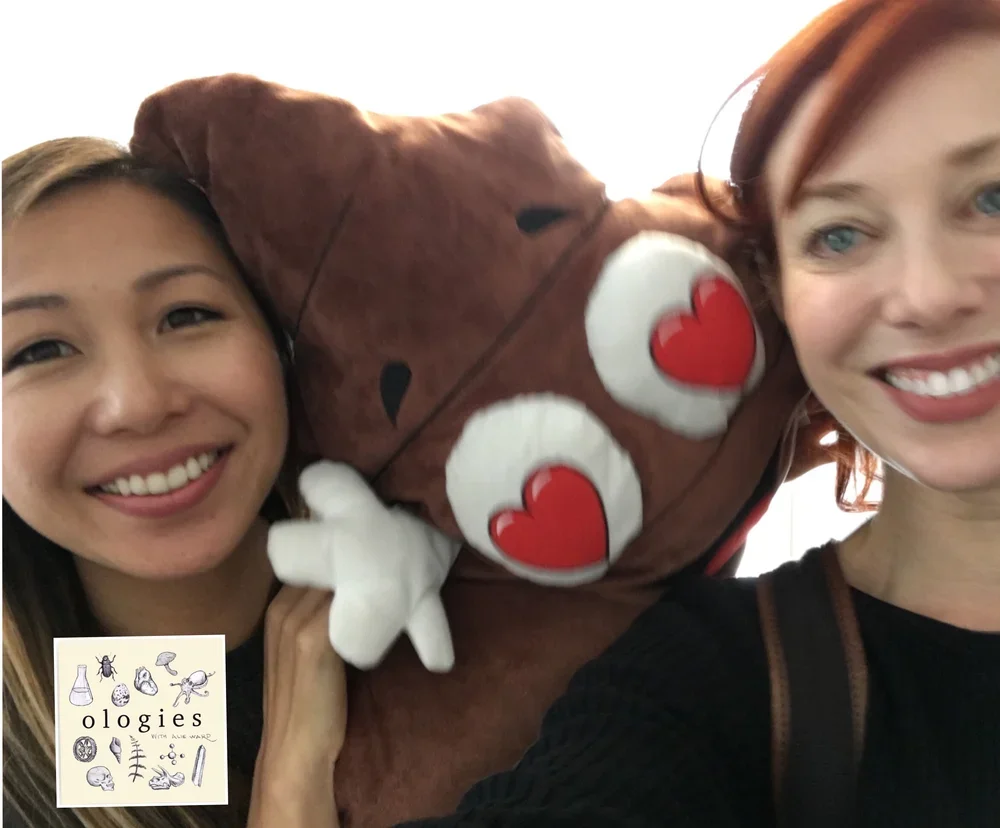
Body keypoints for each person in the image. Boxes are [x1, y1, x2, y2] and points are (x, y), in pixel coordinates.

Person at [391, 0, 1000, 825]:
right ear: (776, 290)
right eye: (840, 235)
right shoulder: (715, 677)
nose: (927, 294)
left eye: (993, 197)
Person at [2, 140, 347, 828]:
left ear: (279, 342)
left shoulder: (469, 595)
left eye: (186, 315)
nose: (137, 404)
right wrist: (289, 794)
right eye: (40, 349)